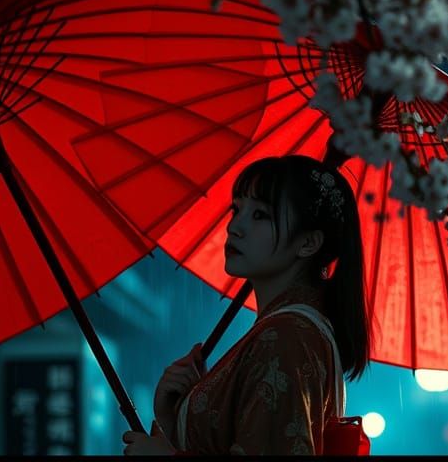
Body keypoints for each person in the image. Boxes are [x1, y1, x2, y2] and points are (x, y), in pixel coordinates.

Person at [122, 154, 371, 455]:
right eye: (237, 209)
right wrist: (175, 416)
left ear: (308, 243)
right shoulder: (296, 331)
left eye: (260, 216)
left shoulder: (285, 337)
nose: (235, 227)